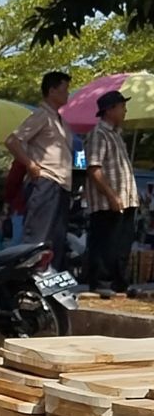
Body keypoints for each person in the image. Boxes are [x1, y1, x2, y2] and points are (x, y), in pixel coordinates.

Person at [6, 71, 73, 269]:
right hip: (45, 180)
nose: (67, 93)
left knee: (56, 238)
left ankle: (49, 280)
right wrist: (30, 164)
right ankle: (27, 281)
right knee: (38, 235)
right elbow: (13, 141)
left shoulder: (61, 120)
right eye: (64, 89)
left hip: (62, 183)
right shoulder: (41, 115)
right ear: (52, 90)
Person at [83, 90, 139, 296]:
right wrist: (111, 195)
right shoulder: (98, 134)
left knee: (122, 243)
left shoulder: (117, 135)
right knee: (105, 242)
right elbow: (94, 168)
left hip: (126, 199)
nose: (125, 110)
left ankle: (120, 282)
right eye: (122, 106)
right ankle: (101, 283)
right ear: (110, 110)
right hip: (107, 202)